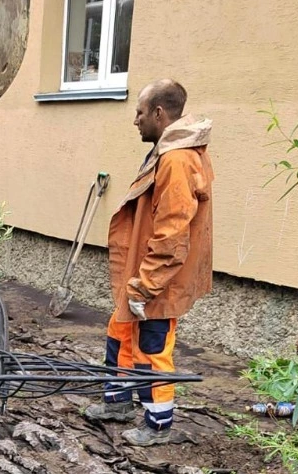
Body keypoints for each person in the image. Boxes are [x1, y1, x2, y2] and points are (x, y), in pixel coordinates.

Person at [84, 79, 214, 446]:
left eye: (140, 112)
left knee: (152, 349)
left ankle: (158, 425)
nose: (135, 120)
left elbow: (173, 233)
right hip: (144, 272)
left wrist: (146, 285)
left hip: (159, 279)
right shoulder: (168, 150)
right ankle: (117, 402)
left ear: (159, 113)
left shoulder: (177, 159)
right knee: (120, 331)